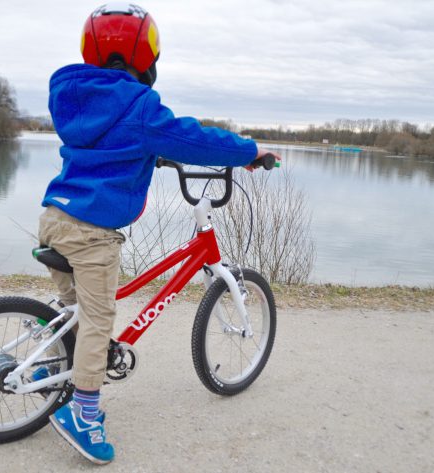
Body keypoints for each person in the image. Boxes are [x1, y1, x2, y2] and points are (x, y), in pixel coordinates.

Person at [40, 3, 280, 465]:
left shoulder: (72, 97)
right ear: (142, 54)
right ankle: (83, 414)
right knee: (97, 320)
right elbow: (194, 138)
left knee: (73, 309)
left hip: (55, 215)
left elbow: (109, 142)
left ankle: (47, 361)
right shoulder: (139, 107)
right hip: (92, 232)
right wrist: (248, 151)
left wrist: (147, 154)